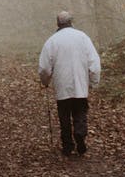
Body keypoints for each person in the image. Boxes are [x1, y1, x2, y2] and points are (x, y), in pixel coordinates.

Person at [37, 10, 101, 156]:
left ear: (58, 23)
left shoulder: (52, 41)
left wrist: (45, 81)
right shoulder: (83, 37)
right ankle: (80, 133)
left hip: (62, 86)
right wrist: (94, 82)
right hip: (80, 84)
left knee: (64, 116)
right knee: (80, 112)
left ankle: (67, 145)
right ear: (71, 22)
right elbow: (94, 62)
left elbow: (44, 68)